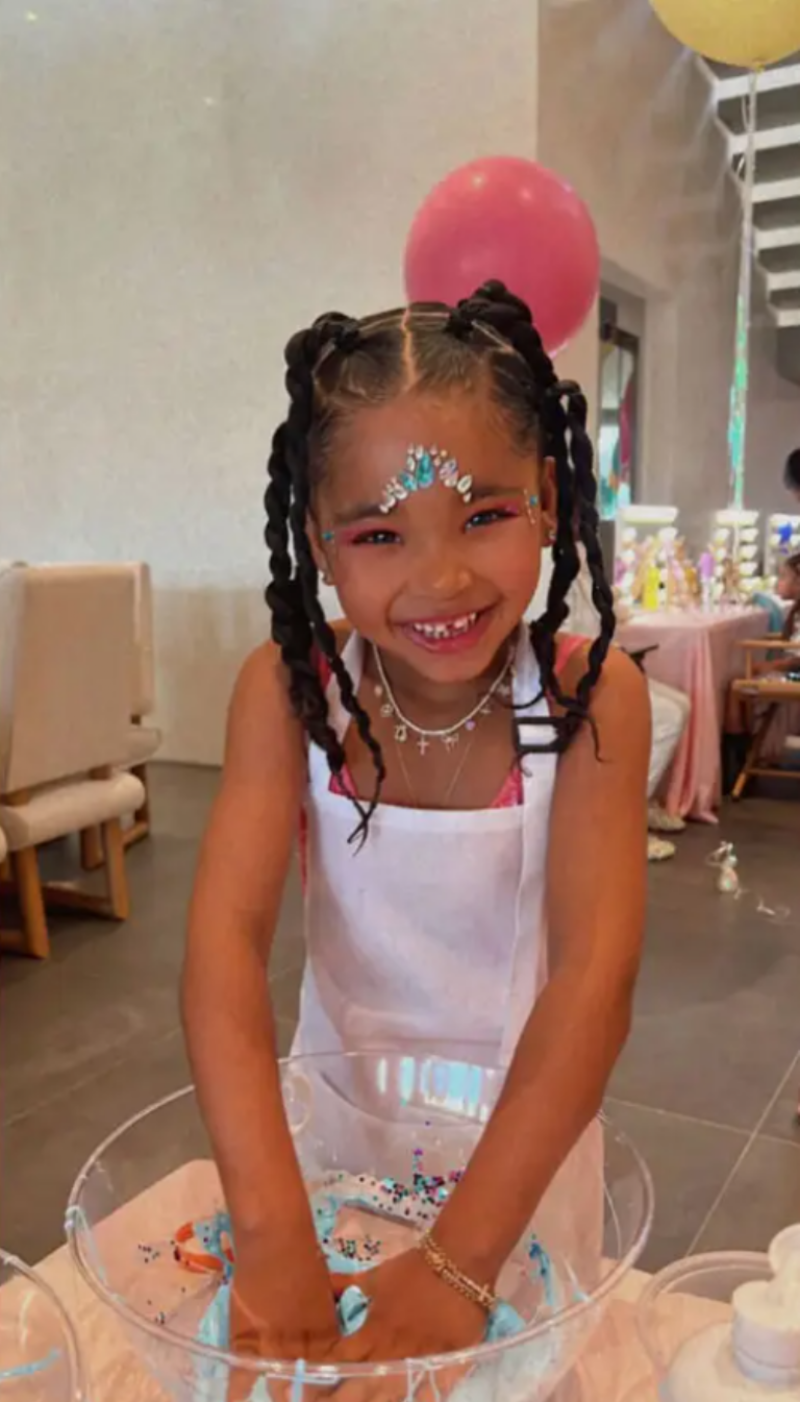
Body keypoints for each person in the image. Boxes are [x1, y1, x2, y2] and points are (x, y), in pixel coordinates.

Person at [182, 282, 650, 1372]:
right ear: (320, 544)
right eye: (380, 534)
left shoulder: (589, 698)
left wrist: (458, 1264)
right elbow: (223, 952)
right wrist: (269, 1228)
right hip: (333, 1139)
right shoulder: (289, 690)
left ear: (547, 498)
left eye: (484, 516)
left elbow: (594, 979)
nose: (441, 577)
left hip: (519, 1160)